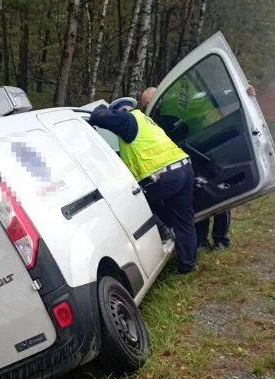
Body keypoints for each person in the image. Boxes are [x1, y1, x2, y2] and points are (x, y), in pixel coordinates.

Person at [139, 84, 257, 251]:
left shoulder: (181, 102)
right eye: (145, 104)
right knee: (196, 196)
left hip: (201, 147)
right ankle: (201, 239)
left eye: (151, 102)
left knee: (220, 190)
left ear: (161, 98)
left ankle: (220, 239)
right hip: (180, 158)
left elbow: (214, 96)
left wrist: (243, 92)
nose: (150, 106)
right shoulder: (150, 119)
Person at [88, 96, 197, 274]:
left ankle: (163, 232)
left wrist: (101, 107)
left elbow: (99, 117)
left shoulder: (127, 119)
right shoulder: (146, 120)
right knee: (184, 218)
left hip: (165, 176)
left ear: (119, 111)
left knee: (132, 204)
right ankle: (188, 264)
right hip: (183, 168)